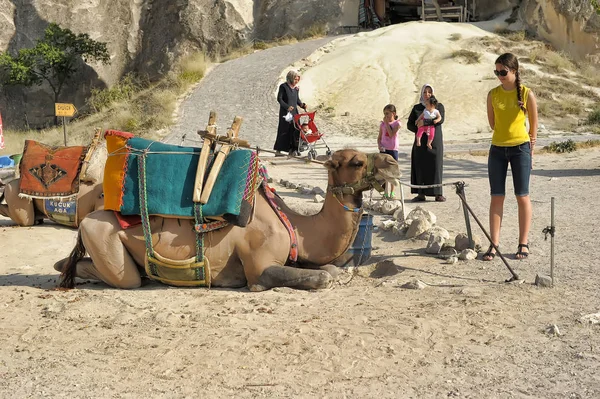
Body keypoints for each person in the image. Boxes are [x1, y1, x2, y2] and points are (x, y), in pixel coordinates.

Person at [482, 52, 538, 261]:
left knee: (522, 195)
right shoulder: (492, 94)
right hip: (497, 149)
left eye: (503, 72)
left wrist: (530, 150)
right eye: (496, 72)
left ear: (514, 71)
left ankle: (523, 243)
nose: (499, 76)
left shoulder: (526, 94)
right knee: (497, 196)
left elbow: (534, 127)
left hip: (520, 149)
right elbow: (493, 124)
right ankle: (494, 243)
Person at [407, 84, 446, 202]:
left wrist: (424, 123)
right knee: (420, 166)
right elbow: (410, 124)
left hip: (435, 141)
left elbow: (440, 120)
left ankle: (438, 193)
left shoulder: (439, 106)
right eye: (425, 92)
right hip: (420, 143)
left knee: (436, 165)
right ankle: (420, 193)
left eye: (429, 92)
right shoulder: (417, 108)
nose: (427, 94)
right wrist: (419, 130)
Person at [274, 70, 306, 156]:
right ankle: (278, 151)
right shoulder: (283, 87)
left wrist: (302, 105)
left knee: (295, 130)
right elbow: (279, 99)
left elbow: (297, 100)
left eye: (298, 79)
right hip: (286, 113)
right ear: (291, 78)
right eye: (295, 79)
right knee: (284, 130)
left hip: (295, 113)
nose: (296, 81)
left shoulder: (296, 89)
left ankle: (294, 150)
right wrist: (287, 106)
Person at [377, 104, 401, 199]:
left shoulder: (397, 124)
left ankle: (392, 192)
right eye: (384, 114)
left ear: (393, 113)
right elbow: (379, 137)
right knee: (383, 171)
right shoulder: (382, 125)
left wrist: (387, 123)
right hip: (384, 149)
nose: (385, 116)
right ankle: (385, 192)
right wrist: (379, 145)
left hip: (393, 149)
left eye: (387, 113)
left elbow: (391, 134)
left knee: (392, 171)